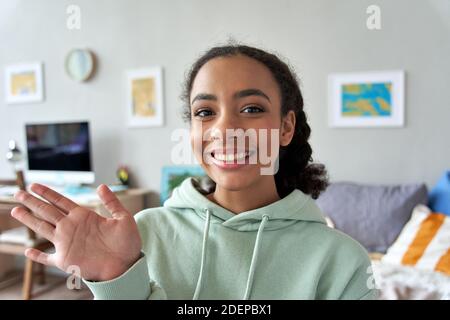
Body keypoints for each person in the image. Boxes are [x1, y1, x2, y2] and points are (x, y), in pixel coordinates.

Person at [11, 44, 377, 300]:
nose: (225, 129)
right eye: (205, 112)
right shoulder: (141, 235)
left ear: (286, 127)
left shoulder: (341, 261)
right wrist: (115, 278)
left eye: (251, 109)